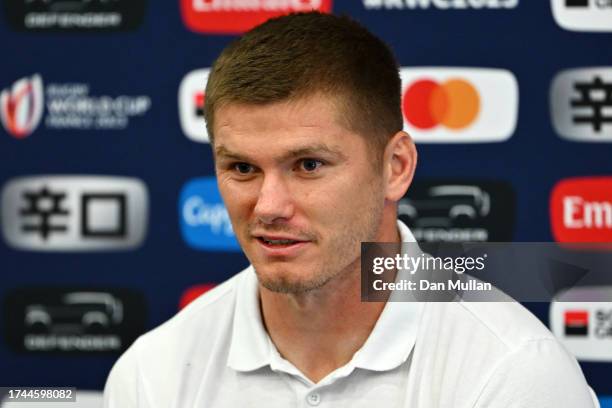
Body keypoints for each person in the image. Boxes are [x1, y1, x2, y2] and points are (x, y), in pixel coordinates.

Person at [104, 12, 599, 408]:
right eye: (241, 168)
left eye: (309, 164)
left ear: (396, 167)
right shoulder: (153, 374)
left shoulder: (513, 373)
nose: (269, 206)